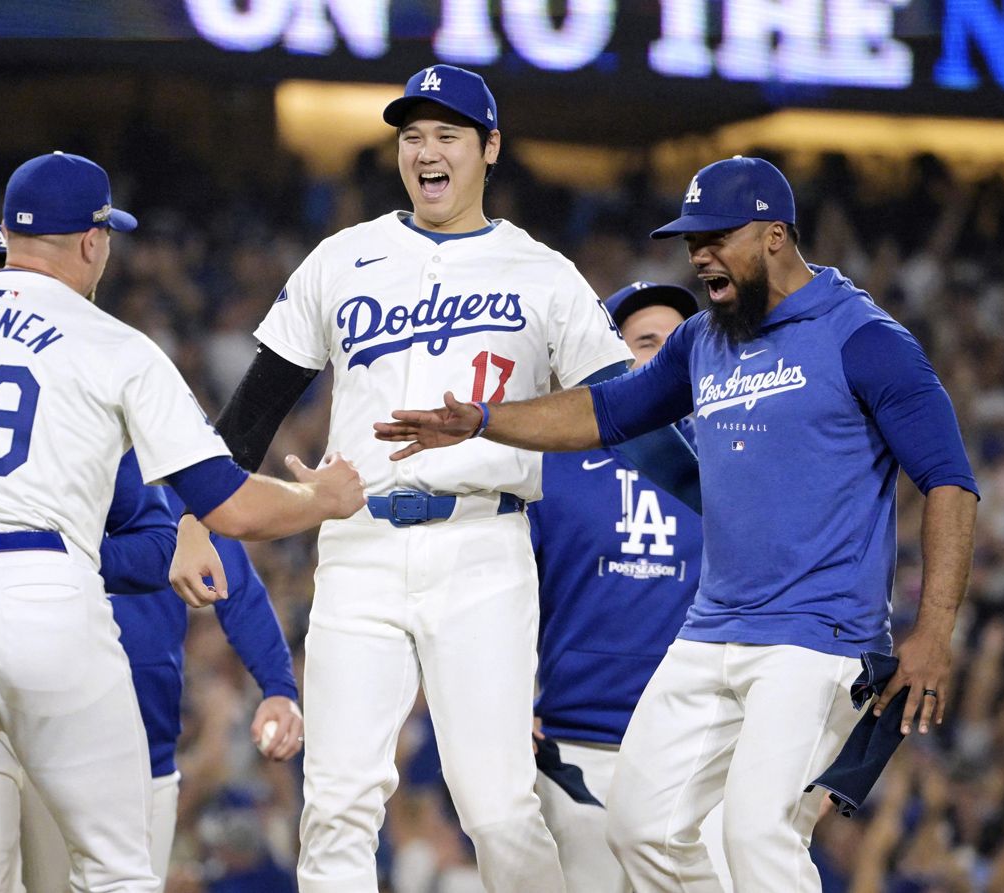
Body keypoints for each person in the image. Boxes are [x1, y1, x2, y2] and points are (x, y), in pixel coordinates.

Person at [374, 155, 979, 892]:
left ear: (775, 236)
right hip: (712, 629)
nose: (699, 254)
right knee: (641, 828)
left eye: (717, 237)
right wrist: (483, 420)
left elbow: (950, 481)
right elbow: (605, 411)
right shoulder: (704, 340)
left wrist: (935, 631)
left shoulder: (864, 337)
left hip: (817, 636)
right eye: (692, 239)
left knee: (757, 833)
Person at [0, 151, 364, 893]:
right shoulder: (115, 344)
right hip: (46, 597)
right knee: (116, 872)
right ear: (91, 240)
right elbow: (230, 507)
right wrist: (322, 499)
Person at [171, 65, 695, 892]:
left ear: (490, 148)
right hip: (360, 544)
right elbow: (255, 407)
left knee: (499, 807)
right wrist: (195, 519)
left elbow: (625, 413)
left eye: (447, 134)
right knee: (337, 802)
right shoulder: (345, 258)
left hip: (483, 544)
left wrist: (718, 499)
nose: (425, 151)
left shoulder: (542, 272)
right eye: (412, 136)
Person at [0, 228, 303, 892]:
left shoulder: (119, 400)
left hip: (123, 735)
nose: (13, 298)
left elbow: (215, 552)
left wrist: (276, 683)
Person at [530, 281, 732, 892]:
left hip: (700, 750)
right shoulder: (547, 463)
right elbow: (501, 594)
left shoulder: (734, 462)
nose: (666, 359)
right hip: (577, 744)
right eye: (646, 343)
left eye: (680, 346)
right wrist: (506, 703)